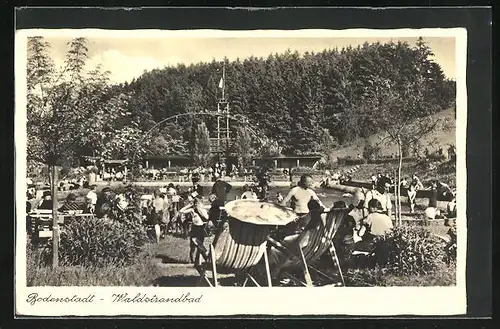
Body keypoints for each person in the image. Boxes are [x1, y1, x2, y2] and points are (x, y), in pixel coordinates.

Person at [188, 198, 210, 265]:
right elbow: (181, 210)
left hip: (199, 227)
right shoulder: (193, 210)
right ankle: (195, 260)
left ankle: (198, 260)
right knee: (195, 245)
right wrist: (189, 205)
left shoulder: (202, 210)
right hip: (196, 227)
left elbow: (206, 217)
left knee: (199, 245)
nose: (198, 204)